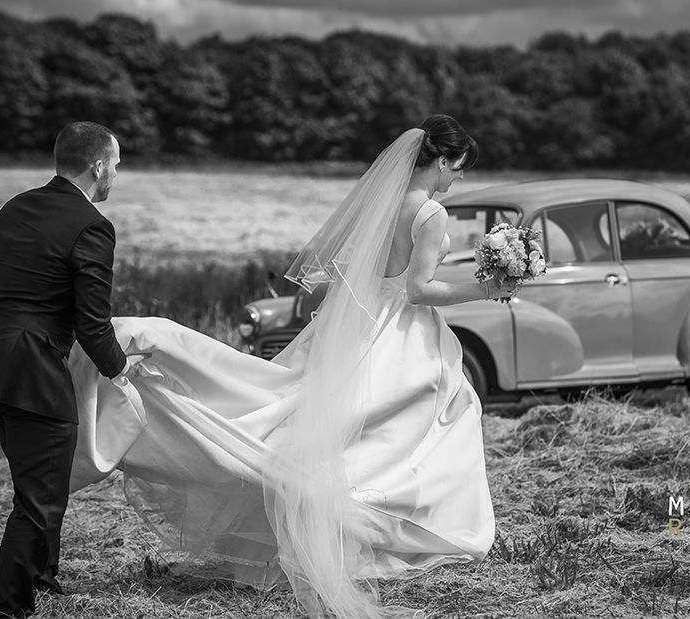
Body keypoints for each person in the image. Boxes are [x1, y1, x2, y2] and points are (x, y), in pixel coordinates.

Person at [68, 115, 515, 619]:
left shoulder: (383, 200)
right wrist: (490, 287)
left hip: (361, 323)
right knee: (434, 420)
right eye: (459, 168)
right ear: (442, 160)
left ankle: (359, 523)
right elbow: (418, 290)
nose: (459, 178)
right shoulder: (429, 212)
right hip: (401, 331)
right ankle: (396, 527)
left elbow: (364, 273)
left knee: (351, 424)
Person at [0, 121, 144, 619]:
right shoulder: (93, 225)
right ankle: (8, 609)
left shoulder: (15, 206)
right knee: (40, 494)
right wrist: (123, 373)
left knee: (38, 480)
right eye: (116, 165)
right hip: (27, 366)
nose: (116, 175)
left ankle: (41, 576)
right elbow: (92, 324)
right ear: (98, 165)